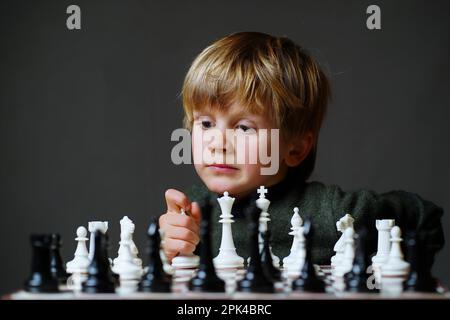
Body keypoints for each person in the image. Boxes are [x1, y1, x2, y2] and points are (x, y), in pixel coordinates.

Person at [159, 32, 444, 268]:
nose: (218, 143)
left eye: (244, 128)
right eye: (206, 123)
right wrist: (171, 247)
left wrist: (402, 276)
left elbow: (424, 217)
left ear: (295, 149)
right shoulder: (194, 207)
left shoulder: (332, 210)